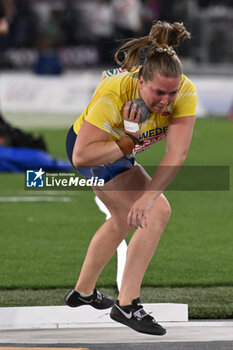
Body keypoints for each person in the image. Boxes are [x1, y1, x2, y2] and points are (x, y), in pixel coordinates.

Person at [65, 21, 197, 336]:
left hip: (122, 149)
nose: (166, 101)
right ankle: (127, 305)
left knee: (129, 216)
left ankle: (83, 292)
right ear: (140, 82)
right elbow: (81, 156)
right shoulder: (112, 94)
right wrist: (126, 143)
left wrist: (146, 196)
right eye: (158, 92)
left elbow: (176, 154)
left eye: (172, 92)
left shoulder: (184, 93)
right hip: (93, 148)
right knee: (157, 212)